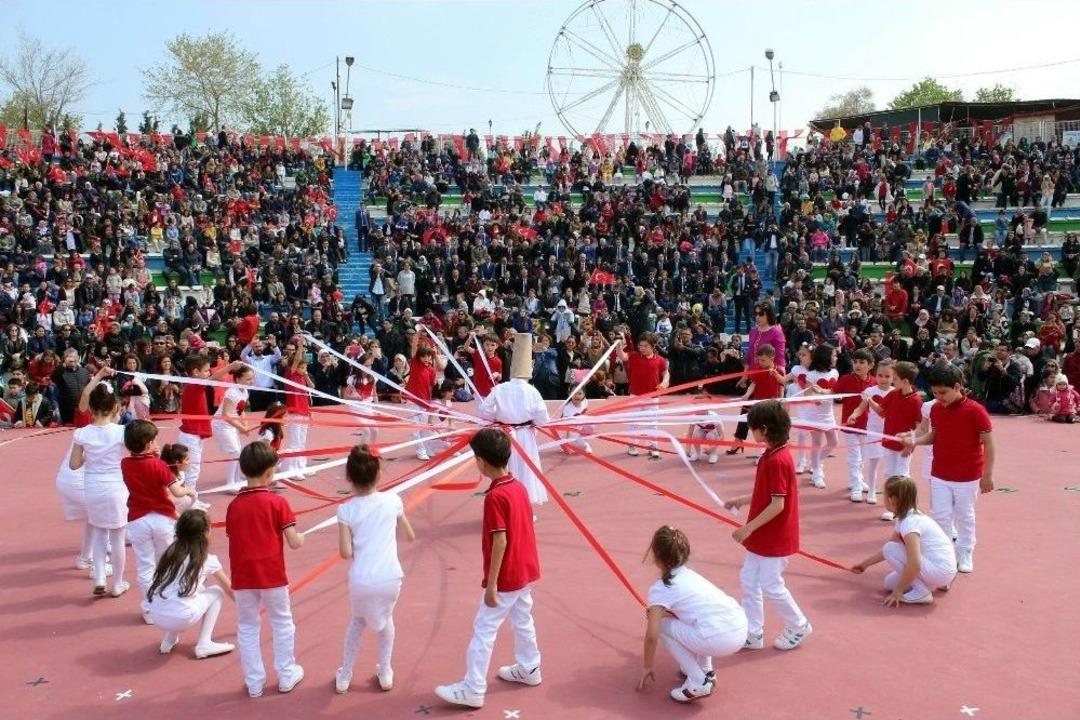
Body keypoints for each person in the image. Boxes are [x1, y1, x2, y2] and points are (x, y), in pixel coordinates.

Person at [435, 429, 542, 709]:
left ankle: (473, 687)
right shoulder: (518, 487)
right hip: (525, 571)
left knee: (484, 628)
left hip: (508, 576)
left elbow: (500, 541)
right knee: (522, 620)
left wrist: (492, 583)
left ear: (481, 462)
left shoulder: (495, 497)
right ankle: (530, 667)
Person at [723, 400, 812, 651]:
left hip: (775, 535)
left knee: (771, 584)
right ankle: (753, 632)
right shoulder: (770, 455)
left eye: (753, 428)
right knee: (749, 580)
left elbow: (777, 505)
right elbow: (768, 494)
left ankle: (798, 625)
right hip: (763, 534)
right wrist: (742, 500)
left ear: (764, 429)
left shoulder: (778, 460)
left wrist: (747, 528)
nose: (751, 432)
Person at [225, 441, 305, 698]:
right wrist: (301, 537)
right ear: (271, 472)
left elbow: (233, 535)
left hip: (242, 576)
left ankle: (254, 682)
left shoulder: (233, 506)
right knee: (282, 623)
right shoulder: (277, 503)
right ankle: (285, 674)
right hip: (272, 575)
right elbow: (294, 542)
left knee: (248, 626)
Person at [334, 445, 416, 694]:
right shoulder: (393, 501)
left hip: (362, 579)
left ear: (349, 477)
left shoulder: (345, 510)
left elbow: (346, 552)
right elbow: (410, 535)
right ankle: (386, 671)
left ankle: (345, 673)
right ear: (379, 473)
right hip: (391, 576)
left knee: (358, 622)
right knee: (386, 620)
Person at [636, 526, 748, 703]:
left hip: (720, 638)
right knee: (700, 620)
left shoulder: (660, 589)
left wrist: (647, 666)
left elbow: (652, 635)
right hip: (740, 628)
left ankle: (698, 681)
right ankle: (706, 670)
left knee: (663, 628)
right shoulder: (691, 576)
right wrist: (665, 613)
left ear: (656, 556)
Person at [902, 363, 994, 574]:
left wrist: (987, 475)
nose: (939, 397)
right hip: (940, 473)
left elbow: (989, 443)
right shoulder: (935, 408)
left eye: (943, 392)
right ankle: (945, 553)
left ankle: (965, 551)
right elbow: (934, 436)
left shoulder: (975, 411)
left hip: (968, 476)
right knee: (940, 515)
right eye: (935, 392)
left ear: (958, 386)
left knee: (964, 515)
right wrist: (913, 440)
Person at [122, 420, 198, 624]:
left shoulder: (125, 464)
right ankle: (169, 601)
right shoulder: (159, 466)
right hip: (162, 518)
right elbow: (177, 491)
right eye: (154, 440)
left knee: (145, 566)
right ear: (147, 443)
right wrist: (190, 490)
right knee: (168, 561)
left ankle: (149, 608)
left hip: (137, 518)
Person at [851, 476, 958, 605]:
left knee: (890, 549)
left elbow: (914, 563)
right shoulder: (906, 517)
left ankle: (922, 592)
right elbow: (890, 550)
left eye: (884, 495)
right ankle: (930, 584)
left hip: (940, 571)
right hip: (941, 570)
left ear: (892, 500)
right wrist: (864, 564)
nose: (883, 498)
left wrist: (898, 591)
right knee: (889, 583)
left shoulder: (910, 524)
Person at [148, 509, 236, 659]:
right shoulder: (207, 560)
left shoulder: (170, 553)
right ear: (205, 533)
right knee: (216, 592)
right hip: (181, 617)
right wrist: (251, 610)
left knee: (189, 589)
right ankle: (204, 643)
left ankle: (169, 639)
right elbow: (230, 590)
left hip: (156, 614)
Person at [69, 378, 128, 597]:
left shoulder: (82, 433)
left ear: (91, 408)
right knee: (118, 536)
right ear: (114, 407)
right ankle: (118, 583)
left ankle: (101, 575)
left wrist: (89, 456)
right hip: (115, 486)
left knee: (99, 532)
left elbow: (74, 464)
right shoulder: (121, 431)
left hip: (92, 487)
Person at [478, 334, 551, 509]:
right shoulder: (532, 391)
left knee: (505, 469)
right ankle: (524, 507)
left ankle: (505, 505)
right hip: (525, 436)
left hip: (503, 436)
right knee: (526, 470)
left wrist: (498, 417)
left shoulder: (499, 388)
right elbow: (542, 418)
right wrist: (533, 422)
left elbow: (484, 411)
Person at [57, 365, 111, 575]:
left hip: (70, 476)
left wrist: (99, 375)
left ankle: (85, 558)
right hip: (78, 478)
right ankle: (99, 565)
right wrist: (99, 375)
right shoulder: (87, 419)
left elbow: (87, 392)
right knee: (102, 519)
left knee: (94, 519)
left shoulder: (93, 422)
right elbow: (87, 393)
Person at [177, 357, 244, 493]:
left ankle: (190, 497)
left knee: (192, 470)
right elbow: (212, 379)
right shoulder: (194, 385)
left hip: (193, 435)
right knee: (192, 470)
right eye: (206, 371)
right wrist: (230, 366)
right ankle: (189, 498)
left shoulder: (193, 386)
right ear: (196, 372)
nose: (209, 373)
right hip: (191, 436)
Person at [846, 360, 894, 506]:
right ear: (875, 375)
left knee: (889, 466)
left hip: (889, 432)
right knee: (873, 462)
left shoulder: (894, 393)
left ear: (893, 377)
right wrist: (853, 415)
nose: (883, 379)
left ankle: (890, 495)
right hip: (873, 432)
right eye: (880, 375)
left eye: (887, 376)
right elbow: (860, 408)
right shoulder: (870, 391)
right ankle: (872, 490)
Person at [615, 332, 670, 459]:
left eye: (645, 346)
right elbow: (622, 356)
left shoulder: (660, 360)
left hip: (652, 397)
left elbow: (666, 373)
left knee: (652, 423)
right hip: (635, 396)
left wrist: (665, 382)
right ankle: (632, 445)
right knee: (634, 422)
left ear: (653, 346)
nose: (642, 348)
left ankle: (653, 446)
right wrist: (618, 346)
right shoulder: (634, 356)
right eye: (640, 345)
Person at [866, 361, 922, 479]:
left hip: (904, 445)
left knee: (902, 474)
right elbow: (880, 410)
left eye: (895, 379)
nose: (892, 381)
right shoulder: (893, 394)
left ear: (905, 381)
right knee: (889, 473)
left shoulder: (916, 401)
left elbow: (919, 427)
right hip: (889, 441)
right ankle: (891, 497)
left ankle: (902, 497)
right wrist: (869, 400)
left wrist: (910, 445)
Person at [835, 349, 875, 502]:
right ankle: (856, 487)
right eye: (855, 362)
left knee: (863, 456)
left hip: (867, 425)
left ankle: (857, 480)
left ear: (870, 365)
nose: (857, 365)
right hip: (849, 424)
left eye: (862, 362)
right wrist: (820, 391)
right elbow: (833, 392)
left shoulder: (874, 382)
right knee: (854, 456)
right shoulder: (846, 379)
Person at [729, 344, 782, 455]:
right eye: (758, 360)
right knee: (760, 429)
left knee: (771, 429)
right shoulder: (758, 370)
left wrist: (781, 399)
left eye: (763, 360)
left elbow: (782, 384)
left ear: (771, 358)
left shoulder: (779, 370)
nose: (760, 362)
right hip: (759, 404)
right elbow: (753, 384)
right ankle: (761, 453)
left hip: (772, 405)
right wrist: (747, 395)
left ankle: (771, 450)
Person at [211, 364, 256, 490]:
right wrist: (241, 427)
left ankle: (236, 478)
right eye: (247, 379)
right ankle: (230, 483)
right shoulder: (231, 392)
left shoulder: (245, 392)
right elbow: (225, 415)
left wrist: (245, 425)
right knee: (235, 452)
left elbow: (241, 410)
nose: (250, 381)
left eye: (251, 378)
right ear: (238, 379)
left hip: (231, 424)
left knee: (238, 452)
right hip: (221, 424)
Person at [802, 344, 840, 489]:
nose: (836, 357)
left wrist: (827, 393)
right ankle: (816, 474)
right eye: (834, 355)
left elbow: (835, 391)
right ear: (826, 357)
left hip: (828, 413)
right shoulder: (811, 375)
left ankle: (815, 462)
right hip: (814, 414)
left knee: (833, 442)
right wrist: (813, 396)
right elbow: (806, 394)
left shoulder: (835, 373)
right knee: (816, 444)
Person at [280, 336, 313, 476]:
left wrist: (305, 375)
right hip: (294, 412)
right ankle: (291, 469)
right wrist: (300, 346)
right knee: (295, 442)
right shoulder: (290, 374)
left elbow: (312, 387)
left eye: (305, 367)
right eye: (301, 367)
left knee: (302, 441)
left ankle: (301, 466)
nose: (303, 369)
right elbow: (297, 359)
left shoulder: (301, 378)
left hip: (304, 412)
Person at [404, 332, 438, 461]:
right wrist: (417, 334)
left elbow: (430, 387)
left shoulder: (432, 370)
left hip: (424, 402)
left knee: (424, 428)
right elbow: (413, 347)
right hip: (412, 400)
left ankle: (427, 447)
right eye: (423, 356)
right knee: (415, 428)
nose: (425, 358)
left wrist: (429, 404)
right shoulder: (415, 364)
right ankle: (420, 450)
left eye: (428, 355)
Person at [464, 332, 503, 398]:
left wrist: (496, 374)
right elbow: (466, 347)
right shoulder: (479, 354)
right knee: (480, 408)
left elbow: (500, 377)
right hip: (478, 392)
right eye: (487, 344)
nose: (489, 347)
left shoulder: (498, 361)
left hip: (492, 392)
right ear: (483, 345)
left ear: (497, 346)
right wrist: (470, 337)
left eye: (492, 345)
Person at [559, 388, 594, 454]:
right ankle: (566, 443)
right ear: (570, 394)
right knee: (565, 440)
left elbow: (586, 412)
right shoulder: (567, 408)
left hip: (581, 426)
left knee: (591, 425)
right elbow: (566, 424)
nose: (577, 395)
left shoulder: (585, 402)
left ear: (584, 395)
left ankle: (586, 444)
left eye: (579, 393)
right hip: (571, 428)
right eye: (574, 393)